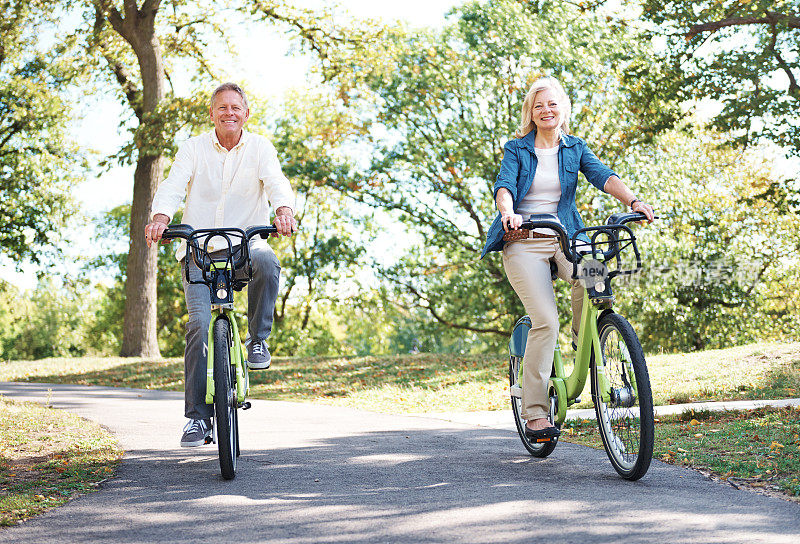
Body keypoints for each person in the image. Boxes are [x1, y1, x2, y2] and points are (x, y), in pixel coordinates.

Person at [481, 76, 654, 440]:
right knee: (545, 321)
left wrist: (634, 202)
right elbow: (504, 186)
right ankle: (536, 414)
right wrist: (508, 212)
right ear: (531, 112)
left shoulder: (575, 147)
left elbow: (602, 176)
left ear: (563, 108)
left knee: (594, 276)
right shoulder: (517, 149)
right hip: (524, 239)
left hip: (565, 236)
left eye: (552, 104)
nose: (546, 110)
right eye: (539, 105)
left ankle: (585, 337)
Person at [144, 82, 297, 447]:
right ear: (212, 114)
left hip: (243, 250)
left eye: (235, 107)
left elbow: (277, 183)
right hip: (199, 253)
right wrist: (160, 217)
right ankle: (197, 419)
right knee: (198, 324)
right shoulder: (193, 149)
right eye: (222, 107)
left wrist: (284, 210)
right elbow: (172, 185)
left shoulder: (260, 147)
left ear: (246, 113)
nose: (229, 113)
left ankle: (258, 340)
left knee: (267, 259)